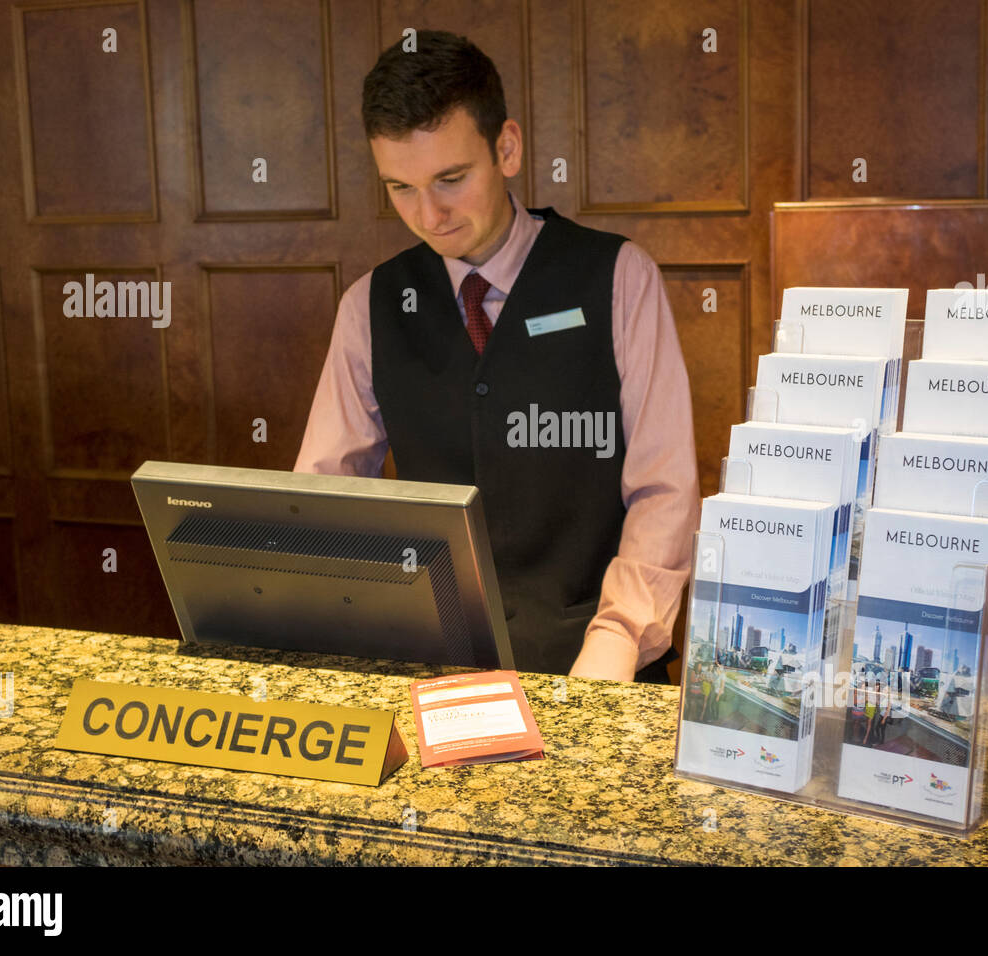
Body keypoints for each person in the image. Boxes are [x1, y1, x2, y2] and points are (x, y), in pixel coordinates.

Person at [294, 30, 699, 681]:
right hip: (432, 659)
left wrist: (619, 637)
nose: (430, 214)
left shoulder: (620, 277)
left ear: (506, 147)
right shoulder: (368, 305)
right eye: (400, 187)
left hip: (595, 660)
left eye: (451, 179)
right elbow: (324, 495)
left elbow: (664, 486)